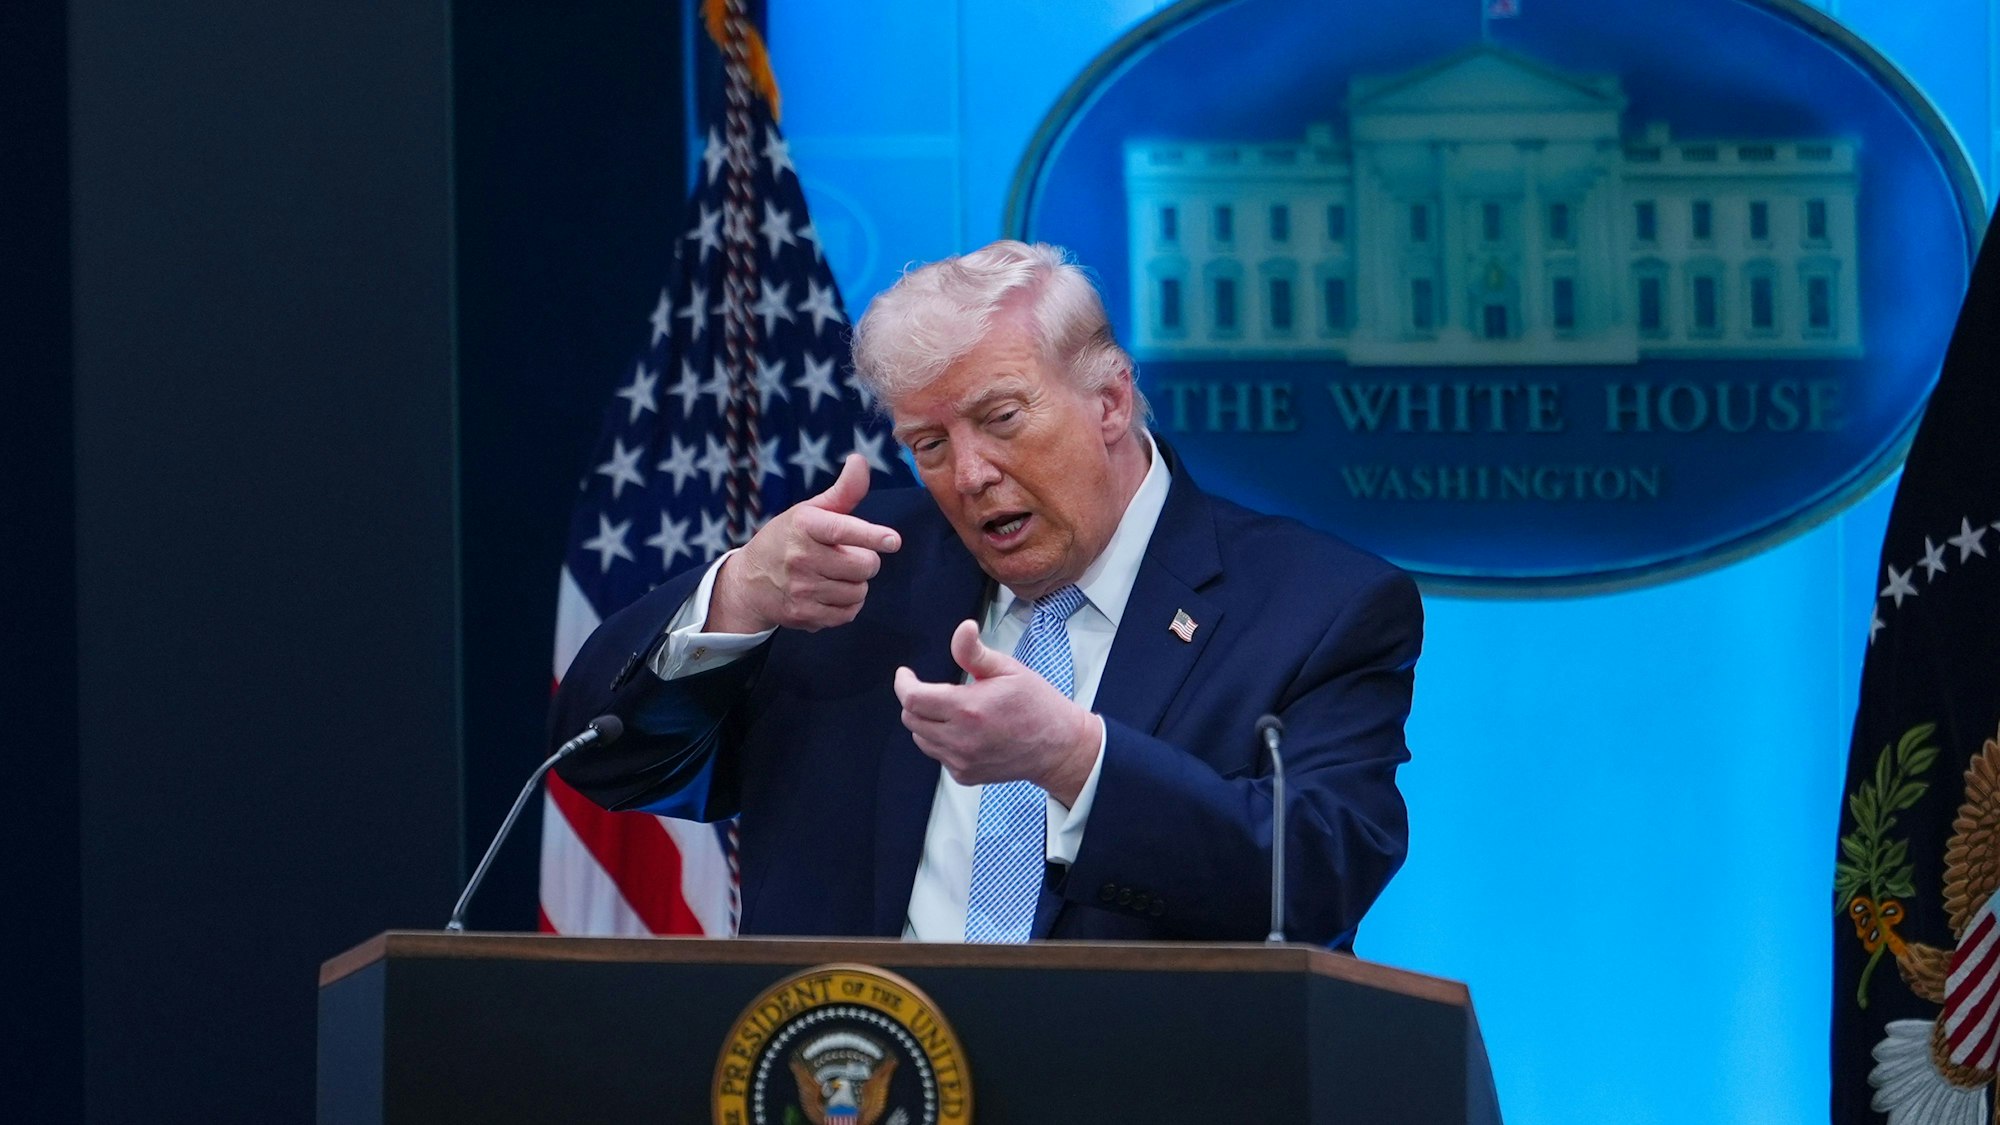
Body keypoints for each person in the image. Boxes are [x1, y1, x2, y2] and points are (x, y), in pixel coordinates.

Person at [552, 240, 1421, 947]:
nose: (968, 474)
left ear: (1112, 400)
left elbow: (1319, 875)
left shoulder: (1316, 607)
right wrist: (738, 593)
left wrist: (1076, 761)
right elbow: (607, 763)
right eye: (928, 444)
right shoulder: (851, 576)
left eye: (1002, 420)